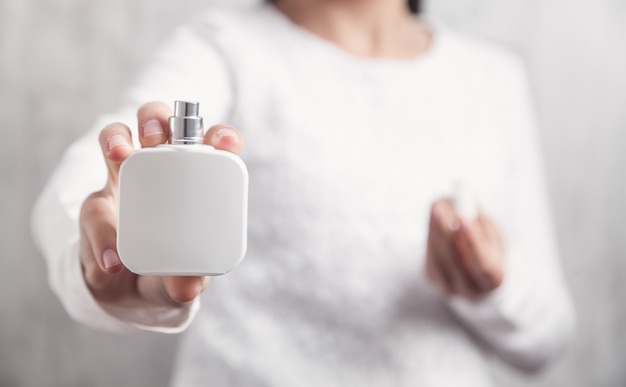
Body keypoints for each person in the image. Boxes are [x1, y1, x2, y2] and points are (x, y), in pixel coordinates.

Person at [32, 0, 576, 385]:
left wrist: (490, 290)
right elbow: (83, 188)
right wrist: (100, 267)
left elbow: (547, 339)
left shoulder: (492, 79)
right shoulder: (224, 50)